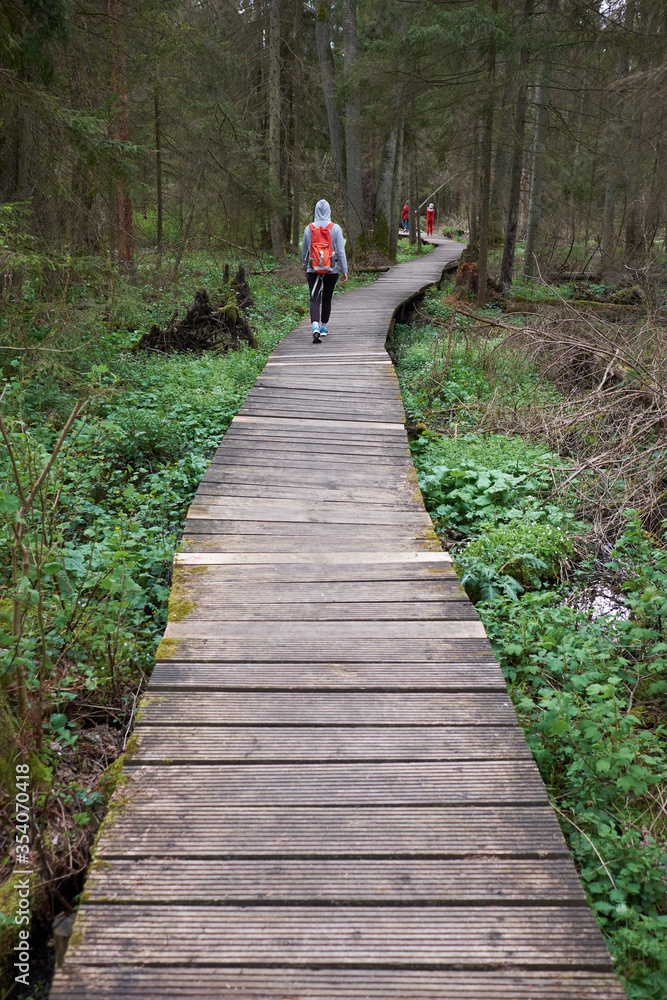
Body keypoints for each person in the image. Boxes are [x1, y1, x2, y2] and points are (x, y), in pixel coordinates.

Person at [302, 199, 348, 343]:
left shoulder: (308, 228)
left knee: (314, 298)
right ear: (329, 211)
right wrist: (344, 269)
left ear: (315, 211)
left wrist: (305, 268)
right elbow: (341, 252)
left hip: (313, 268)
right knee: (327, 298)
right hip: (331, 269)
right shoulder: (335, 228)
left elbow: (304, 251)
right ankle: (323, 328)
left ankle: (314, 326)